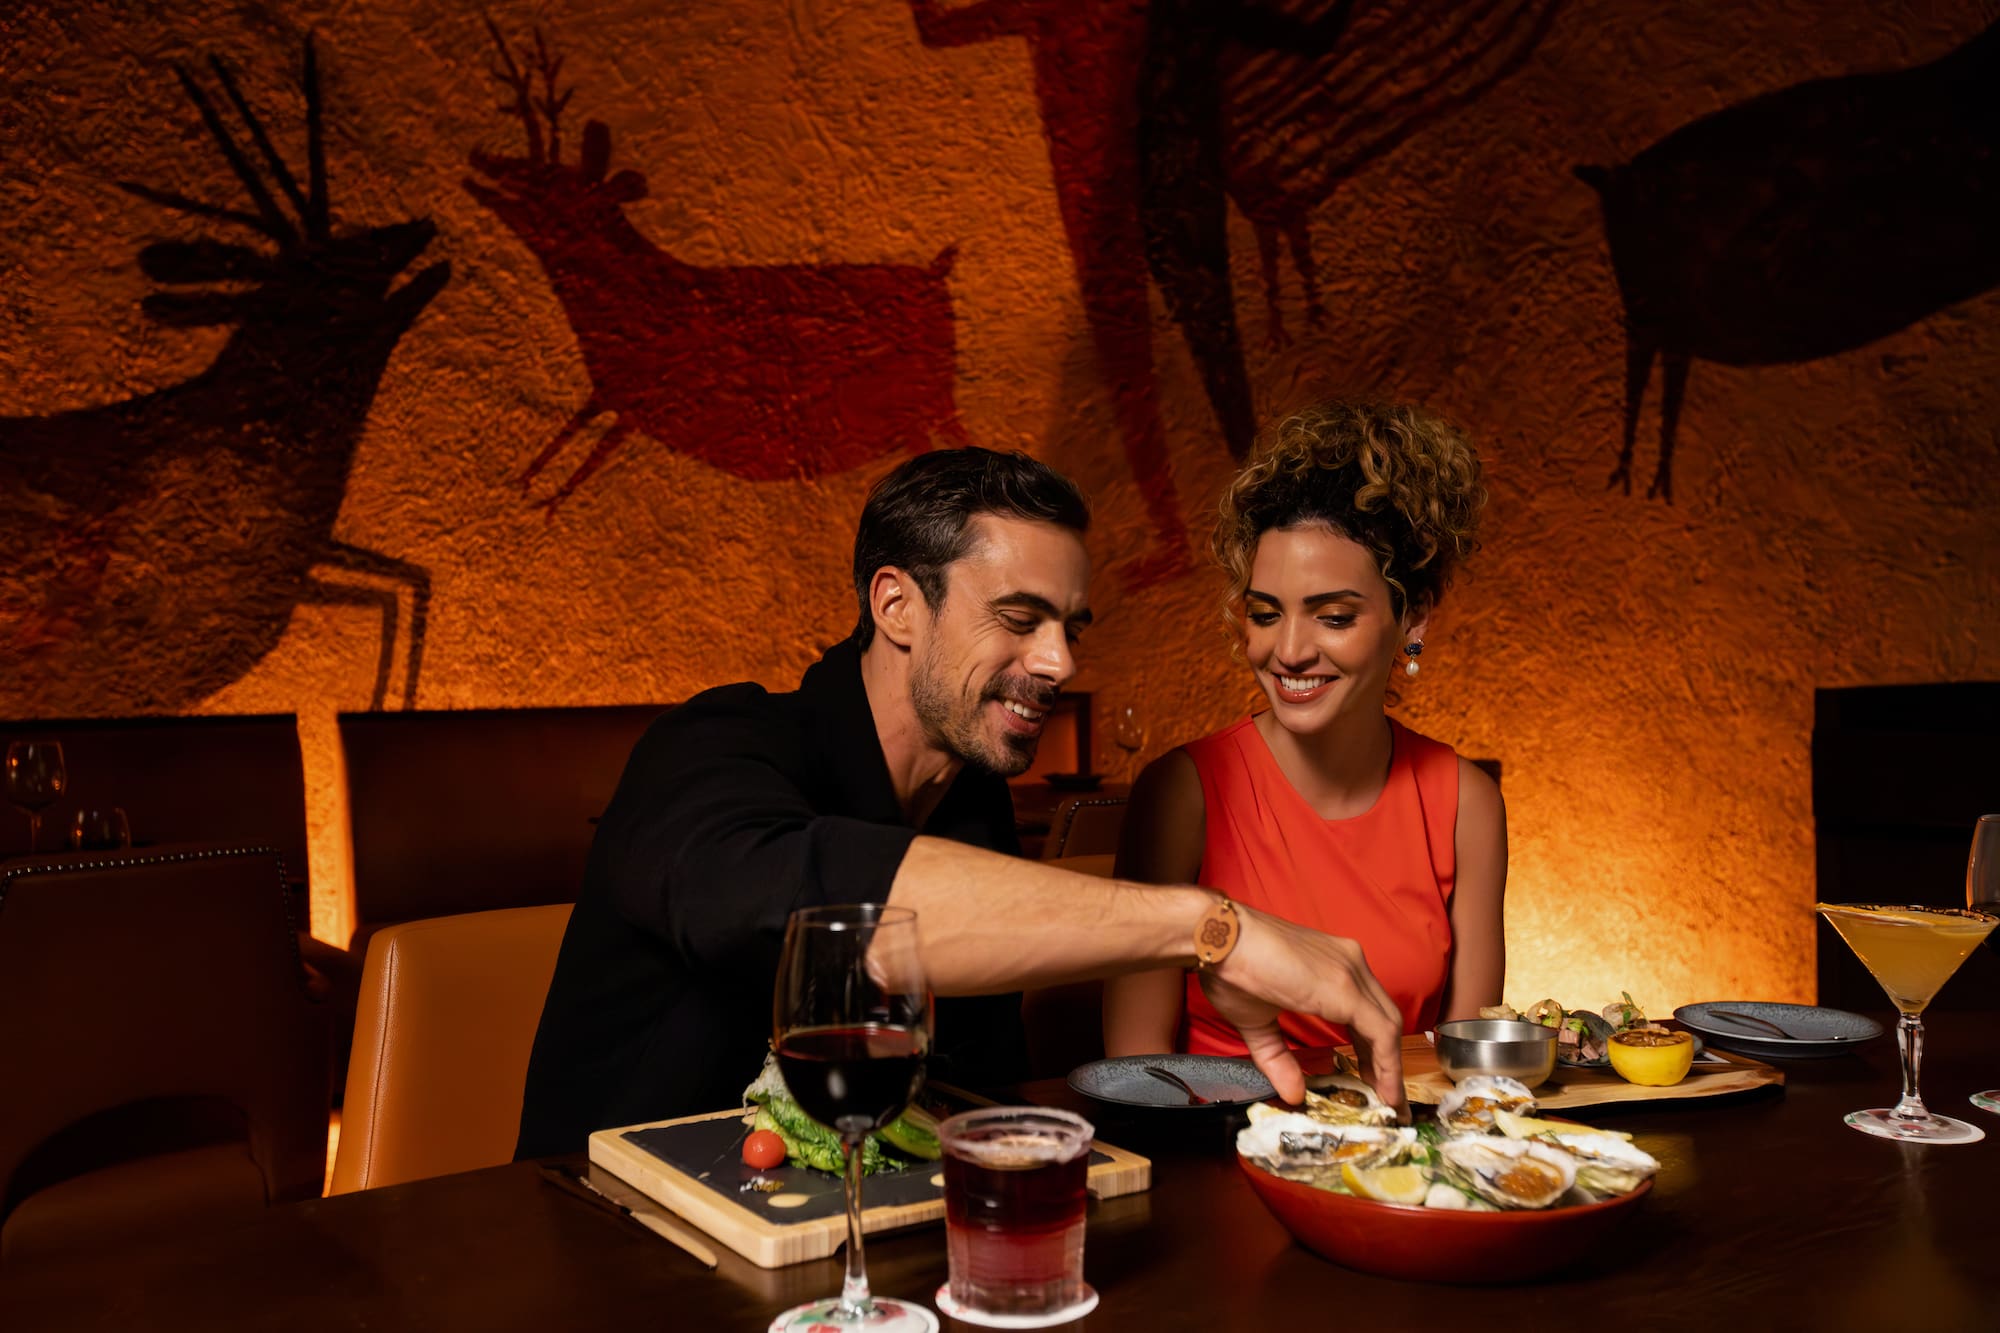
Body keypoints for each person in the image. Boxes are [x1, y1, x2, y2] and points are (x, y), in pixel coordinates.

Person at [516, 446, 1406, 1159]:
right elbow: (820, 902)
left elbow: (975, 1098)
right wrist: (1218, 925)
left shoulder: (973, 799)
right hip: (610, 1253)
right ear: (899, 606)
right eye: (1021, 619)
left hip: (857, 1261)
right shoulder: (709, 751)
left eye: (1069, 627)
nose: (1060, 662)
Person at [1102, 401, 1505, 1060]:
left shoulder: (1467, 806)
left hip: (1401, 1152)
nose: (1288, 650)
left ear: (1414, 616)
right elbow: (1135, 1073)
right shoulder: (1182, 794)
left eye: (1334, 617)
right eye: (1265, 613)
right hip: (1216, 1148)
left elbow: (1469, 1073)